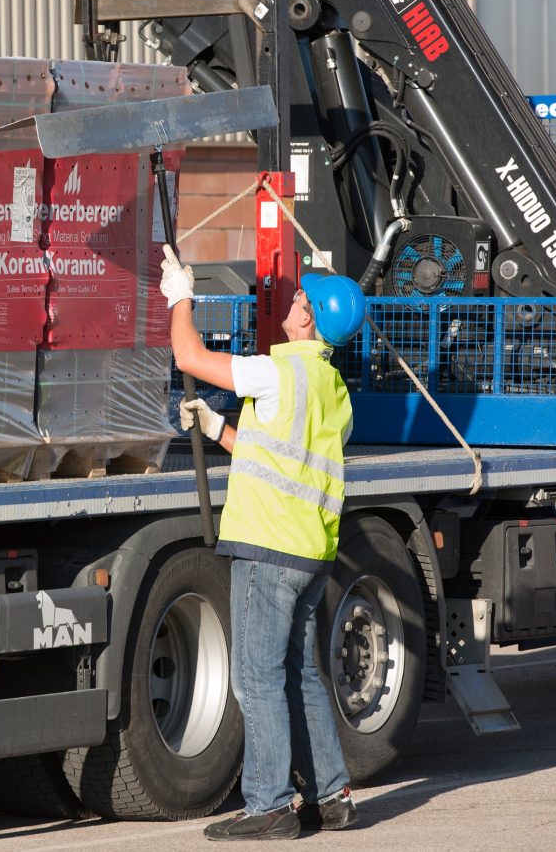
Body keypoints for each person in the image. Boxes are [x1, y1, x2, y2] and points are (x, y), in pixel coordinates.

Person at [159, 245, 366, 841]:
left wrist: (181, 296)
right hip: (309, 552)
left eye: (304, 300)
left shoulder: (274, 371)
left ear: (314, 322)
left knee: (256, 679)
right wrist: (219, 428)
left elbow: (188, 354)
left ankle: (270, 805)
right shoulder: (333, 392)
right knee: (300, 675)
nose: (294, 300)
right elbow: (281, 455)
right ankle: (333, 796)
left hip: (267, 548)